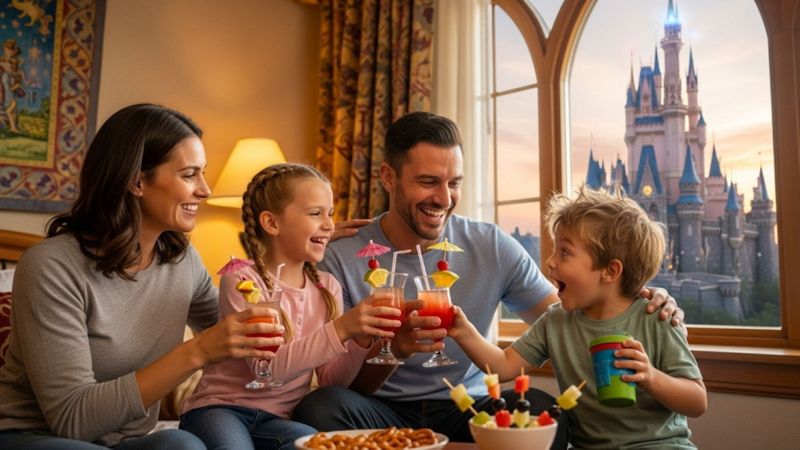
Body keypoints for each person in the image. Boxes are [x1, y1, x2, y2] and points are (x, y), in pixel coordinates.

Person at [293, 111, 684, 446]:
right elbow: (344, 387)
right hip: (381, 410)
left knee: (545, 411)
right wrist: (394, 351)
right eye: (428, 182)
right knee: (320, 407)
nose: (444, 198)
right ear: (388, 178)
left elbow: (573, 317)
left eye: (454, 183)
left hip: (466, 406)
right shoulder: (341, 256)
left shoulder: (490, 245)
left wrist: (632, 296)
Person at [0, 104, 285, 449]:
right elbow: (72, 420)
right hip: (35, 437)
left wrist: (300, 246)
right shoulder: (50, 267)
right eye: (189, 175)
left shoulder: (181, 260)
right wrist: (196, 352)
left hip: (127, 442)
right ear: (137, 181)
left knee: (182, 445)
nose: (205, 190)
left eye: (202, 174)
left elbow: (242, 334)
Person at [448, 186, 706, 448]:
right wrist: (463, 330)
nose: (549, 262)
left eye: (564, 252)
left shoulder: (656, 317)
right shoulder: (555, 321)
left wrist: (651, 376)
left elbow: (697, 401)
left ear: (609, 270)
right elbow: (503, 366)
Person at [179, 163, 402, 450]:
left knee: (317, 447)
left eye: (330, 214)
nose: (329, 224)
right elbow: (269, 368)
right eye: (315, 213)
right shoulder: (243, 280)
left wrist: (359, 339)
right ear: (272, 223)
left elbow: (332, 380)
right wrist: (343, 327)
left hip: (278, 418)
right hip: (220, 410)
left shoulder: (327, 287)